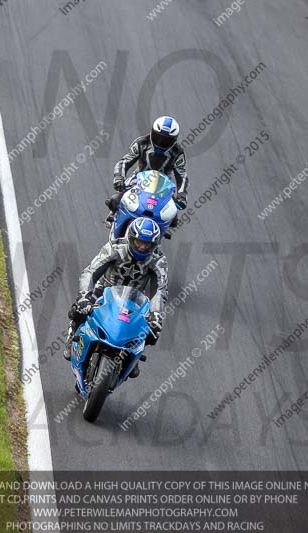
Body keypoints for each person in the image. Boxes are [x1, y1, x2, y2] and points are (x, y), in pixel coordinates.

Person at [64, 218, 167, 378]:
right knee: (79, 309)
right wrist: (84, 295)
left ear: (154, 246)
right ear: (131, 238)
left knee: (152, 331)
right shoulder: (115, 247)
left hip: (135, 300)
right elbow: (90, 271)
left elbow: (160, 289)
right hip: (104, 290)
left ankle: (135, 355)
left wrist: (156, 316)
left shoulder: (158, 260)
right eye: (139, 242)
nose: (142, 246)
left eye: (147, 244)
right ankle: (73, 336)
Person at [106, 116, 189, 225]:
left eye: (166, 141)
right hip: (137, 181)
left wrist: (182, 196)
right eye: (158, 137)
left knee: (173, 220)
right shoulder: (141, 143)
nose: (160, 142)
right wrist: (119, 177)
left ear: (174, 141)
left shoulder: (178, 152)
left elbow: (182, 176)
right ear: (152, 132)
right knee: (115, 202)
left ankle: (159, 234)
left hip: (163, 188)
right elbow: (125, 161)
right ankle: (115, 223)